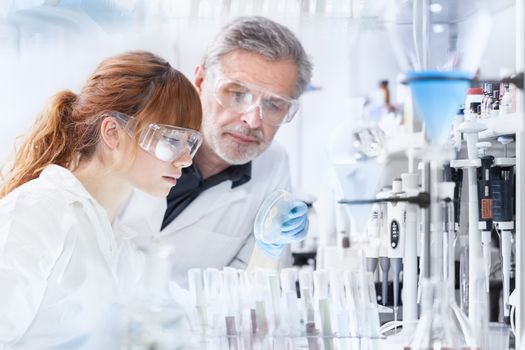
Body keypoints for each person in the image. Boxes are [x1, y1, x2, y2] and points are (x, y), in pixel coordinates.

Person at [0, 51, 203, 349]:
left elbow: (196, 317)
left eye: (191, 143)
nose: (185, 160)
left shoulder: (118, 245)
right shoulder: (37, 212)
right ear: (112, 133)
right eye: (170, 139)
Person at [118, 16, 313, 287]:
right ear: (200, 81)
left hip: (189, 325)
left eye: (274, 105)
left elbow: (252, 289)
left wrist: (271, 250)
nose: (253, 120)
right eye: (237, 93)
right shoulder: (138, 133)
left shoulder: (274, 165)